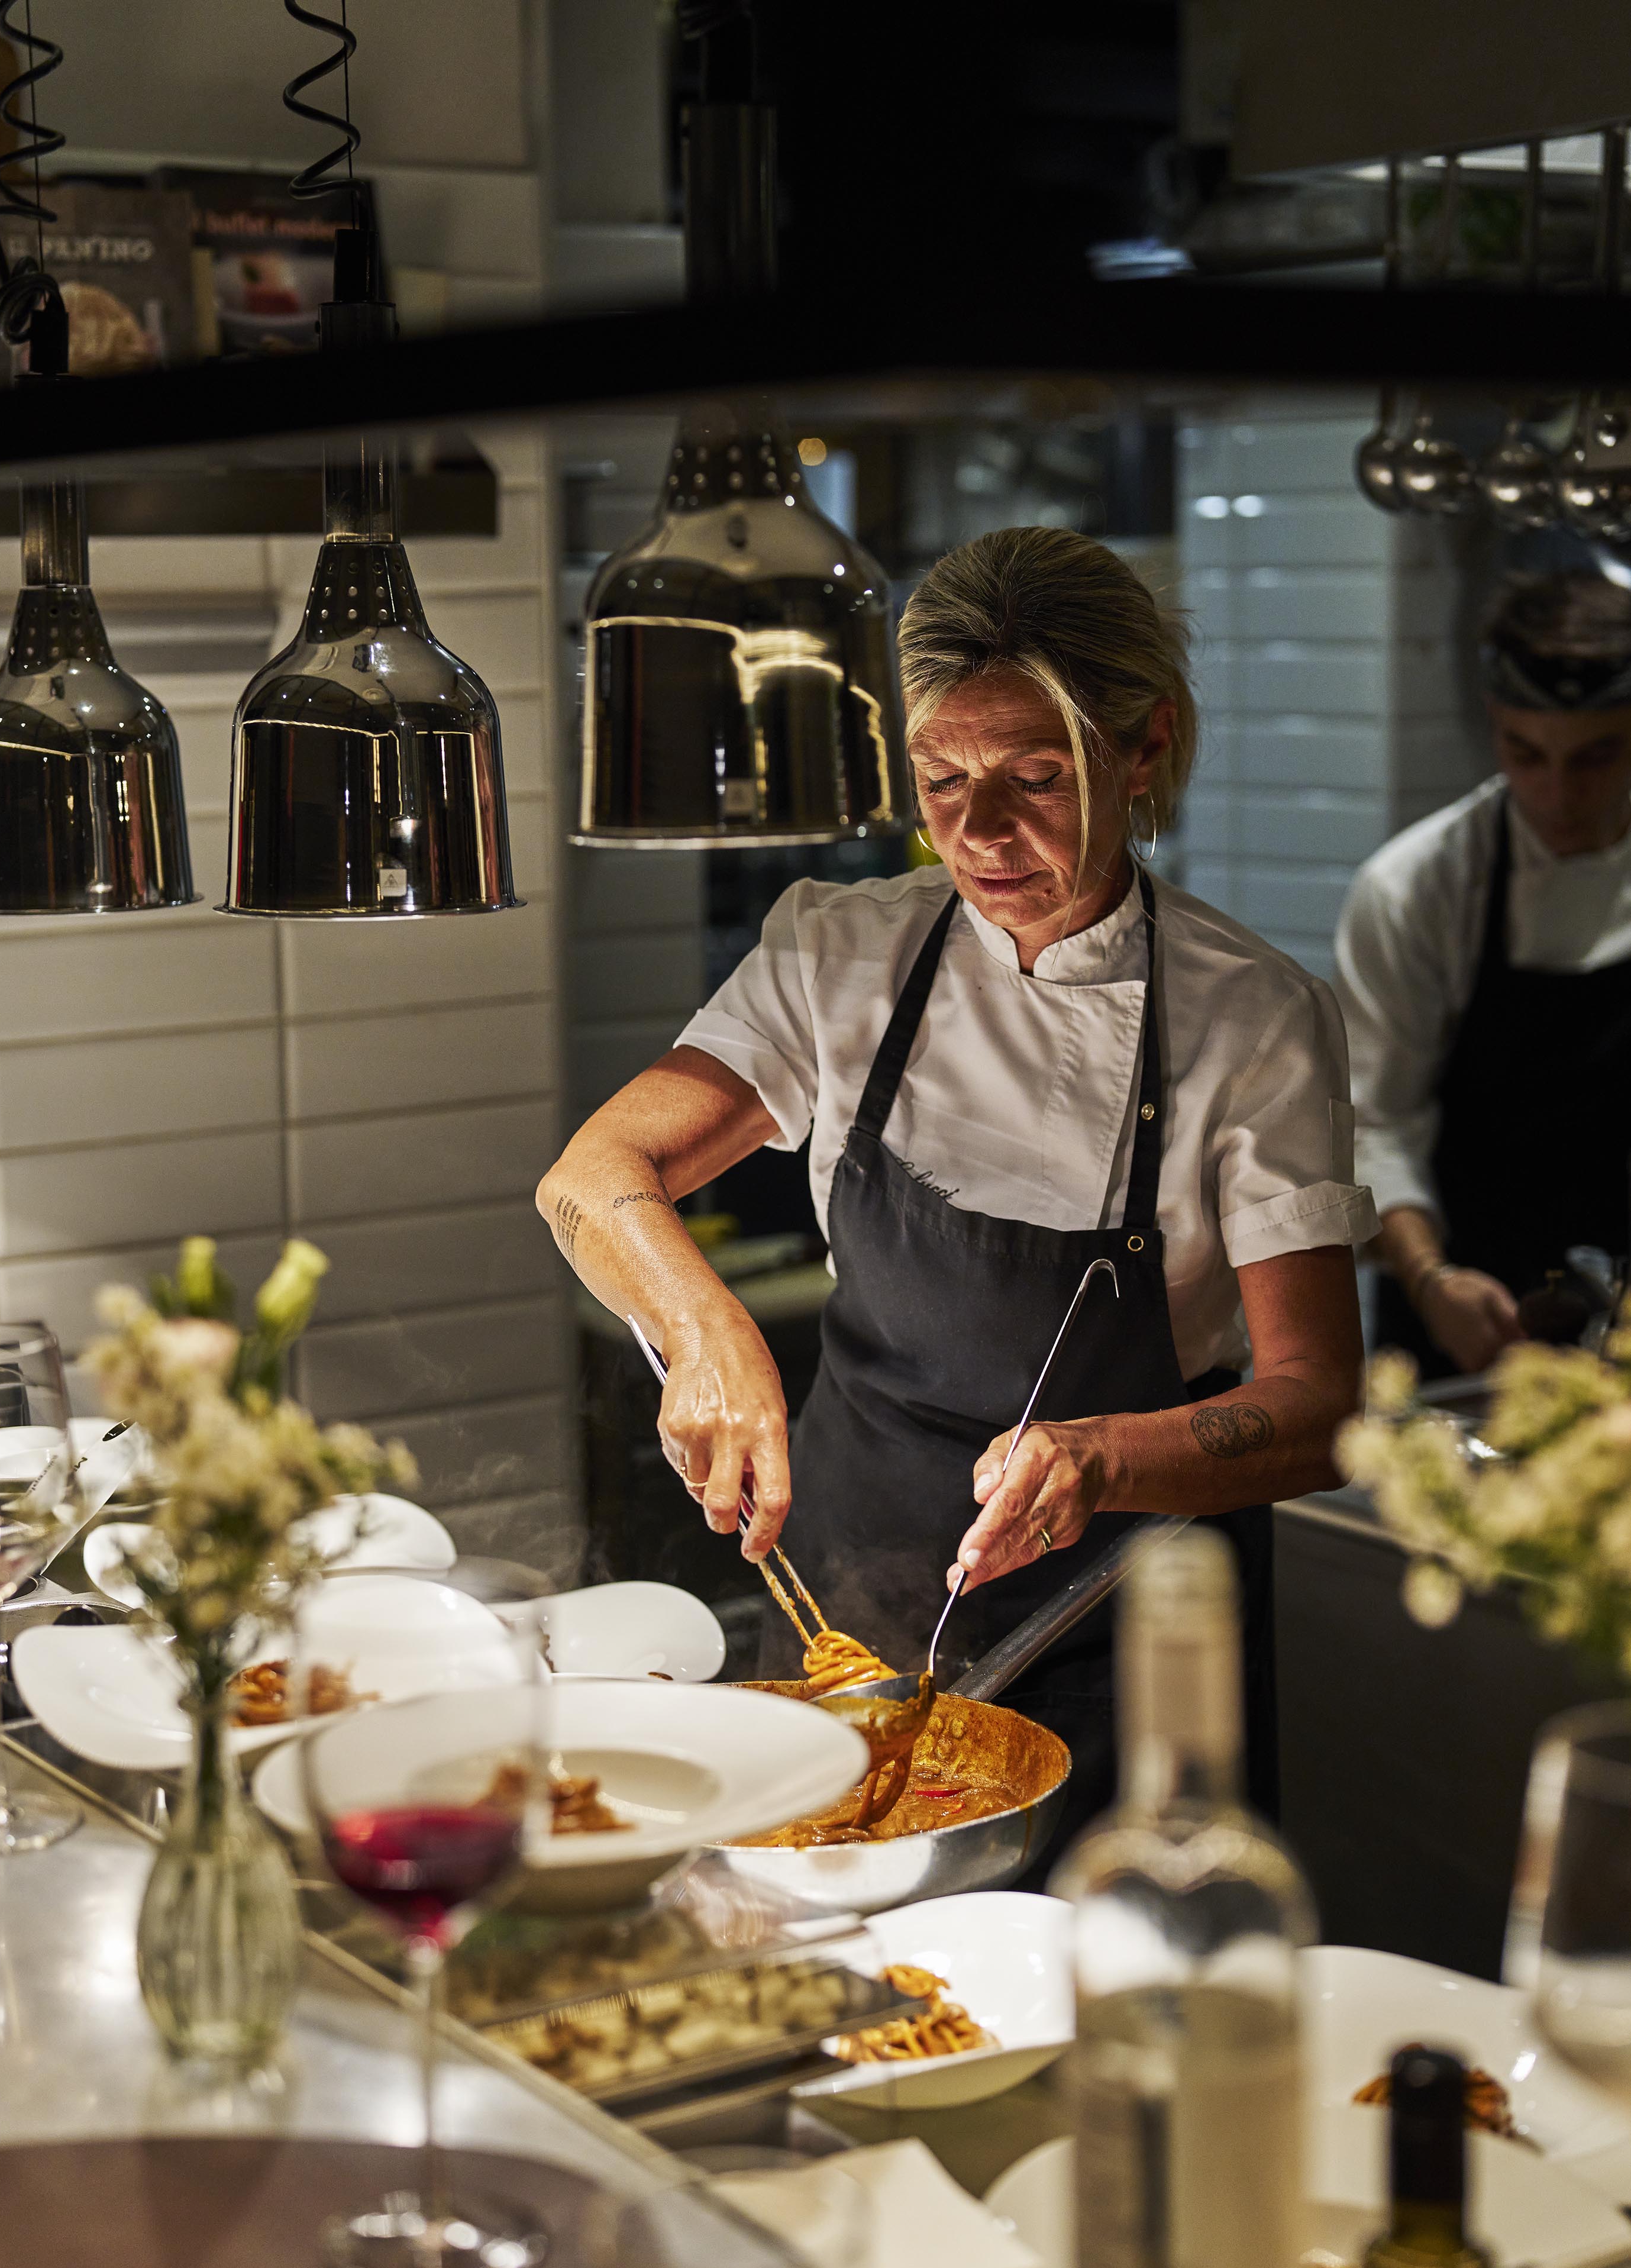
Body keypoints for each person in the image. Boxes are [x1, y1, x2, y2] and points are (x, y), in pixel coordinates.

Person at [538, 527, 1374, 1838]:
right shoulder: (841, 951)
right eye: (940, 779)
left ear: (1143, 747)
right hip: (850, 1598)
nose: (978, 834)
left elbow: (1320, 1407)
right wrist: (704, 1330)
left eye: (1035, 776)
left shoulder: (1253, 1016)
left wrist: (1098, 1457)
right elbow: (595, 1173)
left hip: (1129, 1626)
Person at [1335, 570, 1631, 1379]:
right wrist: (1431, 1281)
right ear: (1493, 728)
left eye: (1598, 757)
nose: (1559, 795)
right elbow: (1374, 1121)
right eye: (1526, 754)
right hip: (1466, 1329)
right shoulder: (1420, 888)